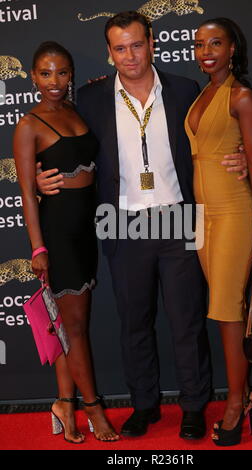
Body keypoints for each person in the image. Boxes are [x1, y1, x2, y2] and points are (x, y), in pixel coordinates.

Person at [36, 11, 248, 440]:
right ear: (109, 52)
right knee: (135, 323)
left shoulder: (186, 90)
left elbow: (217, 134)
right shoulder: (92, 101)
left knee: (186, 321)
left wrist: (241, 153)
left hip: (178, 218)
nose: (129, 56)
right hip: (122, 221)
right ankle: (144, 405)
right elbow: (65, 145)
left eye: (136, 45)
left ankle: (192, 406)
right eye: (120, 48)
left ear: (151, 42)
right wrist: (43, 177)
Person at [13, 41, 119, 443]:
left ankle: (64, 404)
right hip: (57, 233)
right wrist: (38, 249)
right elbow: (26, 192)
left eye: (61, 72)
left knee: (67, 327)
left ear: (70, 73)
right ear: (32, 77)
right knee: (75, 327)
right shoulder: (28, 125)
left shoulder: (76, 109)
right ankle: (94, 409)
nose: (54, 81)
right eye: (45, 73)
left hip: (86, 230)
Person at [184, 17, 252, 446]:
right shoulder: (204, 93)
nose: (206, 52)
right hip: (201, 218)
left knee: (226, 309)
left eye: (215, 43)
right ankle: (242, 392)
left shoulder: (242, 97)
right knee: (222, 310)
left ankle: (238, 401)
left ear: (233, 47)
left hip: (235, 213)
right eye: (199, 45)